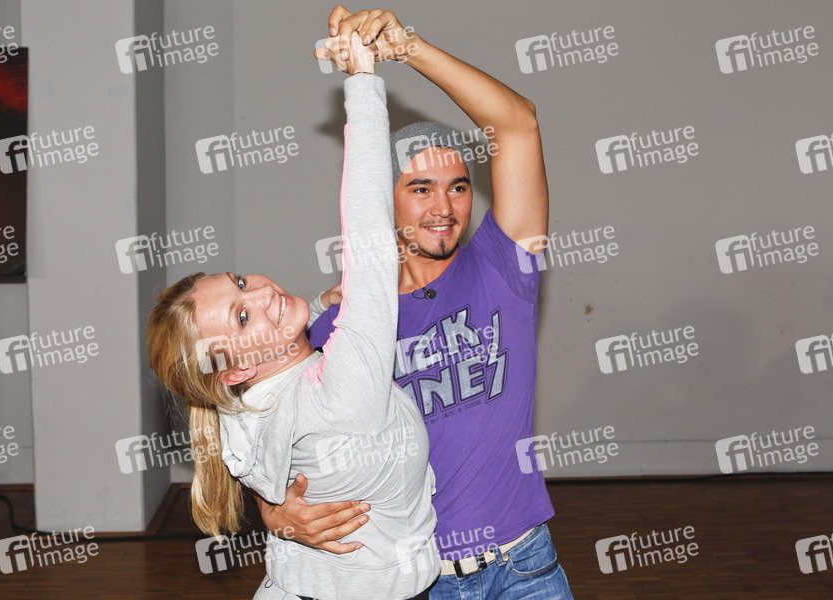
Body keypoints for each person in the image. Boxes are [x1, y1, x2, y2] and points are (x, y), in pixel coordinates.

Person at [258, 7, 573, 599]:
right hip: (420, 583)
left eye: (458, 187)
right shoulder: (339, 328)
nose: (444, 208)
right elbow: (267, 438)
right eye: (421, 188)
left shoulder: (503, 268)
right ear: (386, 199)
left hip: (525, 567)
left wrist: (408, 48)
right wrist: (274, 511)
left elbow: (518, 125)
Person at [147, 34, 439, 600]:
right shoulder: (337, 397)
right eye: (241, 317)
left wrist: (325, 305)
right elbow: (370, 232)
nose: (262, 292)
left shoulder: (237, 403)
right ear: (234, 369)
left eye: (239, 282)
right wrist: (362, 81)